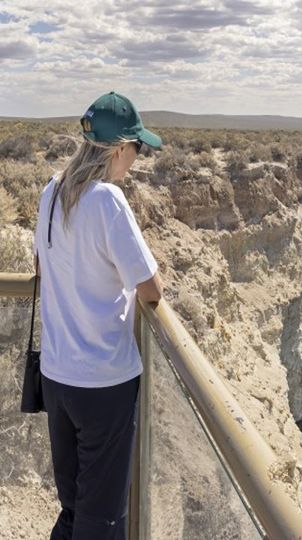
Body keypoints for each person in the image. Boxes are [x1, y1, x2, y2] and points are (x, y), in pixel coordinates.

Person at [33, 91, 164, 539]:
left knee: (72, 507)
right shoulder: (107, 200)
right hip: (104, 384)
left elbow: (42, 266)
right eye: (137, 149)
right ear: (118, 148)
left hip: (56, 377)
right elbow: (151, 287)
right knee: (102, 519)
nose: (136, 160)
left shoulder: (52, 191)